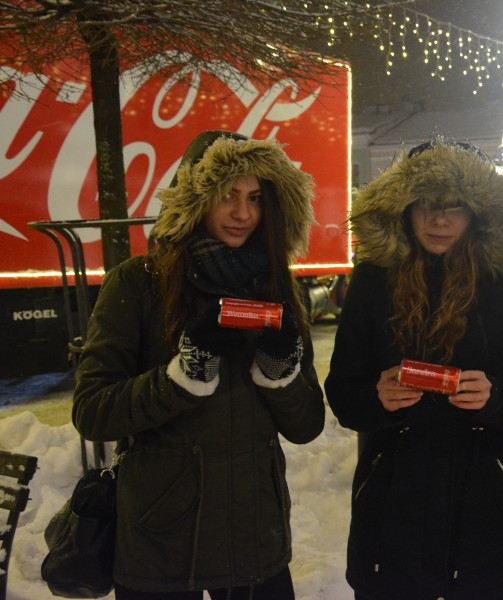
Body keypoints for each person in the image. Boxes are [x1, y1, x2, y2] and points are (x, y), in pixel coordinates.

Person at [72, 131, 326, 599]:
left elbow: (307, 424)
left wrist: (279, 369)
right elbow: (92, 411)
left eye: (255, 198)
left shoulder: (277, 286)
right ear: (195, 197)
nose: (243, 213)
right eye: (227, 195)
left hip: (255, 545)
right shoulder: (137, 283)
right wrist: (185, 374)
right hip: (161, 547)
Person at [324, 138, 503, 600]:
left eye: (455, 206)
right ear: (404, 208)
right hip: (391, 493)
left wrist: (496, 396)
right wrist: (376, 397)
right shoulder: (374, 278)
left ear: (478, 212)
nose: (439, 220)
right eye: (425, 205)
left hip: (480, 491)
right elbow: (342, 389)